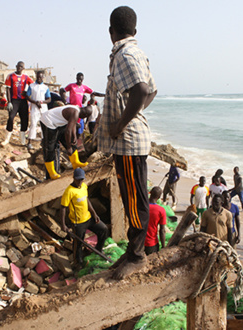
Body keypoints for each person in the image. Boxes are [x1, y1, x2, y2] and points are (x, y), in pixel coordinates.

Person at [98, 6, 157, 280]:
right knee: (133, 198)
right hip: (130, 142)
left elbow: (142, 91)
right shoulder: (136, 52)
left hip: (129, 142)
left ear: (112, 32)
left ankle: (136, 255)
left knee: (135, 201)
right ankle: (133, 251)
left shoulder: (124, 54)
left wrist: (121, 124)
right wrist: (134, 112)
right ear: (134, 30)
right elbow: (151, 90)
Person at [60, 168, 108, 266]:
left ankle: (98, 249)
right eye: (78, 179)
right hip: (78, 223)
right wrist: (63, 224)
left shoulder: (84, 186)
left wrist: (94, 214)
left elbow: (86, 200)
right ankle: (78, 262)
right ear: (73, 178)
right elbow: (63, 207)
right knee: (78, 243)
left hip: (88, 218)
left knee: (104, 229)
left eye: (81, 179)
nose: (80, 181)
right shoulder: (69, 191)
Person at [40, 104, 91, 179]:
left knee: (72, 141)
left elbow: (72, 125)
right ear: (84, 114)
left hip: (59, 123)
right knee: (50, 146)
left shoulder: (76, 110)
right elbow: (68, 131)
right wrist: (69, 147)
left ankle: (75, 162)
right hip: (48, 121)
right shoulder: (75, 112)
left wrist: (74, 137)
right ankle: (51, 173)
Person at [4, 61, 34, 145]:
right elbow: (8, 89)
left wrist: (27, 92)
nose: (19, 68)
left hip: (23, 101)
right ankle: (7, 138)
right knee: (10, 118)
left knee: (24, 120)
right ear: (16, 66)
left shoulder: (26, 77)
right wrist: (9, 101)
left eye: (21, 67)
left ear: (23, 68)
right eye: (18, 66)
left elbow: (33, 85)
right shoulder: (11, 76)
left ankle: (22, 140)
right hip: (14, 100)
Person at [26, 71, 52, 146]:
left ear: (43, 77)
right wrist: (35, 102)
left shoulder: (45, 87)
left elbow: (49, 99)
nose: (39, 79)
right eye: (38, 77)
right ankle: (30, 141)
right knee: (33, 123)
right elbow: (27, 96)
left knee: (44, 124)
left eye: (40, 77)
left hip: (43, 108)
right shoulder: (32, 86)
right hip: (34, 107)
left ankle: (44, 141)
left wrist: (42, 102)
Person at [145, 187, 167, 255]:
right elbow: (162, 231)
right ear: (159, 197)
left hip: (139, 242)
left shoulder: (142, 206)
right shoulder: (161, 210)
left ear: (150, 193)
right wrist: (163, 246)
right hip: (151, 244)